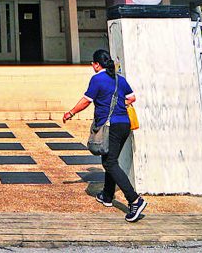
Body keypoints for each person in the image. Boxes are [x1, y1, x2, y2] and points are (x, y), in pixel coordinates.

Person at [62, 49, 147, 223]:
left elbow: (86, 100)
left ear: (96, 64)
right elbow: (132, 98)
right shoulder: (119, 79)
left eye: (93, 63)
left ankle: (134, 200)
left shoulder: (97, 79)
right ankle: (107, 195)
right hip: (124, 124)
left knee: (109, 162)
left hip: (110, 126)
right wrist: (117, 104)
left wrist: (70, 113)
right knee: (110, 158)